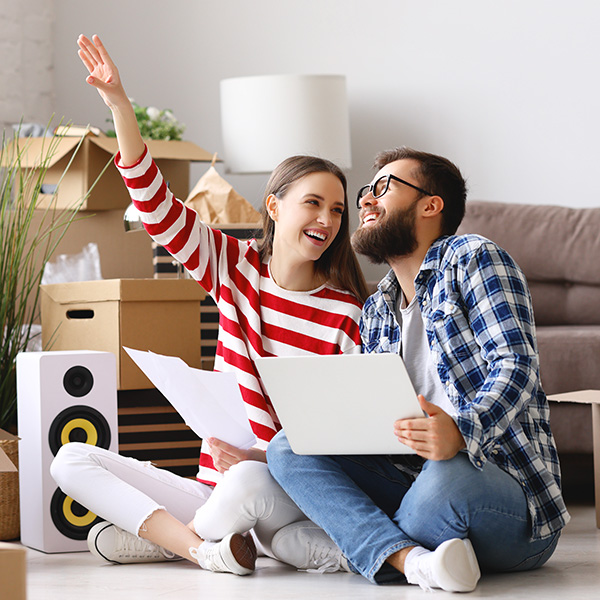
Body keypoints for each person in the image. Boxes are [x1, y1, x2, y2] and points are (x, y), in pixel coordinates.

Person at [50, 34, 368, 576]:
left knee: (245, 483)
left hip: (276, 482)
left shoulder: (346, 315)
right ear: (274, 205)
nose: (327, 220)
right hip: (211, 489)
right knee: (71, 458)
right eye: (312, 203)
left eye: (337, 210)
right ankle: (207, 548)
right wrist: (119, 105)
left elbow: (338, 441)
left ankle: (180, 540)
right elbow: (155, 205)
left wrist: (256, 458)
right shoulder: (234, 266)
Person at [263, 147, 570, 592]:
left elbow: (516, 365)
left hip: (501, 493)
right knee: (288, 446)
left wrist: (462, 432)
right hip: (414, 479)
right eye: (367, 191)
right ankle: (410, 559)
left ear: (430, 204)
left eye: (384, 187)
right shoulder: (376, 310)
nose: (366, 200)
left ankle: (365, 545)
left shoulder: (473, 258)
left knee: (443, 482)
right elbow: (370, 423)